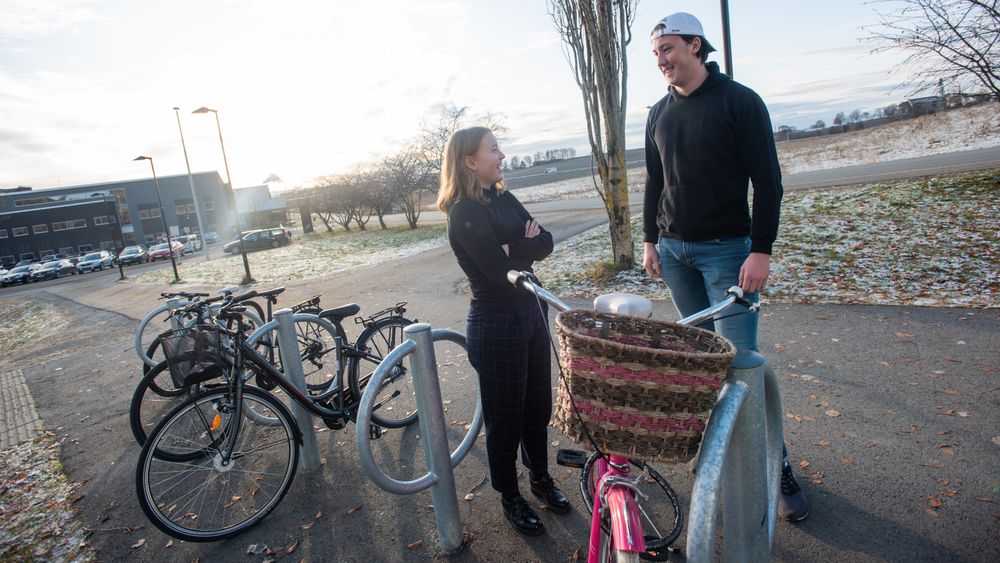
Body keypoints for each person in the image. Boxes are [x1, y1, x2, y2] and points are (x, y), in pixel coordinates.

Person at [641, 12, 808, 522]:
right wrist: (651, 241)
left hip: (728, 255)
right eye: (656, 54)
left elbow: (769, 181)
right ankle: (717, 455)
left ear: (695, 45)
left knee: (741, 364)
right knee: (700, 362)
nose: (662, 60)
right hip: (675, 255)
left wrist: (762, 249)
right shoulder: (657, 113)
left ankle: (774, 465)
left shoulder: (740, 101)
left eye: (669, 49)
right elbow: (654, 182)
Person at [437, 126, 569, 535]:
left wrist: (510, 245)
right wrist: (514, 248)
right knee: (505, 417)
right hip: (496, 324)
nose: (502, 156)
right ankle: (510, 496)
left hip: (531, 312)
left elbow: (545, 242)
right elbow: (497, 273)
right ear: (470, 161)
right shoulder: (464, 211)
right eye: (493, 150)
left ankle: (540, 477)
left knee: (537, 407)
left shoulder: (504, 197)